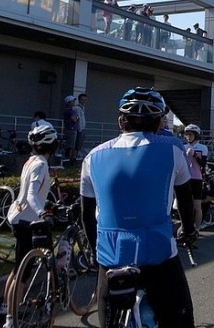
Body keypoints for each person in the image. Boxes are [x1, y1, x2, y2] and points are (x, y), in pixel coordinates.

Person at [80, 87, 197, 328]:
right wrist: (188, 230)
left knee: (108, 318)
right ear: (158, 123)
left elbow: (87, 214)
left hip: (111, 257)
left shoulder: (92, 157)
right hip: (158, 255)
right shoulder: (173, 149)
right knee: (180, 319)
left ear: (120, 121)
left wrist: (95, 252)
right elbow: (185, 199)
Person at [0, 124, 57, 327]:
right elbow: (32, 193)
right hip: (27, 220)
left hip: (17, 215)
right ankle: (11, 319)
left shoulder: (31, 161)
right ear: (52, 145)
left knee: (16, 269)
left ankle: (5, 308)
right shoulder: (41, 165)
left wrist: (43, 204)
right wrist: (42, 213)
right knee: (23, 273)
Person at [183, 124, 208, 230]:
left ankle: (197, 228)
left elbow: (203, 164)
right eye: (186, 135)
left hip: (197, 178)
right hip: (184, 178)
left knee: (197, 206)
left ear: (196, 135)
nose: (188, 137)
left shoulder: (203, 148)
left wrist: (195, 156)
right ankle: (186, 228)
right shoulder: (183, 147)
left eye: (190, 135)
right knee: (185, 205)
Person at [62, 95, 79, 165]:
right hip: (70, 129)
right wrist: (76, 118)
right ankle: (67, 159)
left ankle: (70, 159)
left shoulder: (72, 110)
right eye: (72, 101)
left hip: (73, 129)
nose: (74, 102)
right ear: (68, 102)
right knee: (70, 145)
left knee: (73, 145)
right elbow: (74, 119)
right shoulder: (69, 111)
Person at [73, 92, 88, 160]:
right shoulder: (77, 108)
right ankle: (74, 158)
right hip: (79, 129)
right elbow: (78, 119)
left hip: (82, 128)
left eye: (85, 100)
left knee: (79, 144)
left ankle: (75, 157)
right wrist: (80, 129)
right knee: (77, 144)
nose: (84, 101)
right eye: (83, 99)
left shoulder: (82, 108)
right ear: (79, 100)